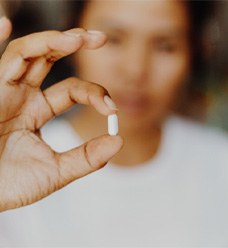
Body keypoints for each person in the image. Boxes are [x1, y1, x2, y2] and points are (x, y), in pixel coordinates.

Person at [1, 0, 228, 246]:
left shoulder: (220, 165)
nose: (135, 70)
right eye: (113, 39)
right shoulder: (11, 161)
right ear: (72, 38)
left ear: (196, 52)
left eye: (165, 46)